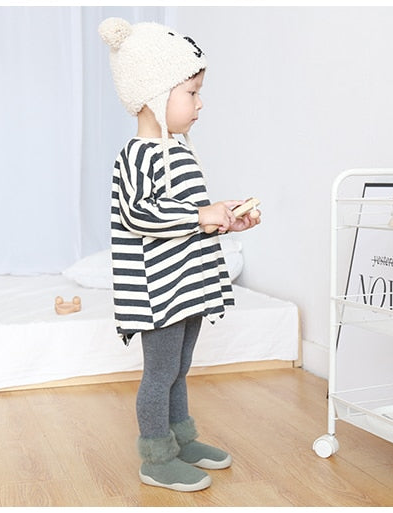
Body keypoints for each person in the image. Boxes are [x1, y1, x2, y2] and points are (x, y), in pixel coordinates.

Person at [98, 17, 261, 492]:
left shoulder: (181, 152)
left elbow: (186, 217)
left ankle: (180, 439)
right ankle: (155, 456)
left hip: (186, 283)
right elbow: (139, 214)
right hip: (159, 289)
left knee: (180, 368)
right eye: (191, 92)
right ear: (155, 95)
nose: (199, 103)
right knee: (161, 371)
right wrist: (200, 214)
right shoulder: (137, 155)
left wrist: (222, 217)